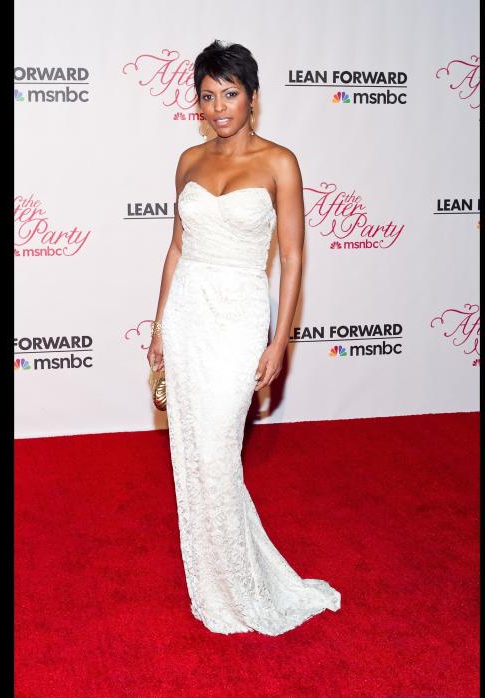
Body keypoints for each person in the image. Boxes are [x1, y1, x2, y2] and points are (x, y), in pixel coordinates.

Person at [146, 40, 341, 636]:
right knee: (193, 456)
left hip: (237, 317)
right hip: (187, 317)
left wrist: (279, 341)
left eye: (230, 93)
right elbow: (178, 247)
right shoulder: (187, 161)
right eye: (208, 96)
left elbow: (291, 256)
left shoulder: (280, 162)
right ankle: (214, 580)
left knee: (216, 452)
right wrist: (157, 326)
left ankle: (247, 586)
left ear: (253, 98)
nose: (219, 106)